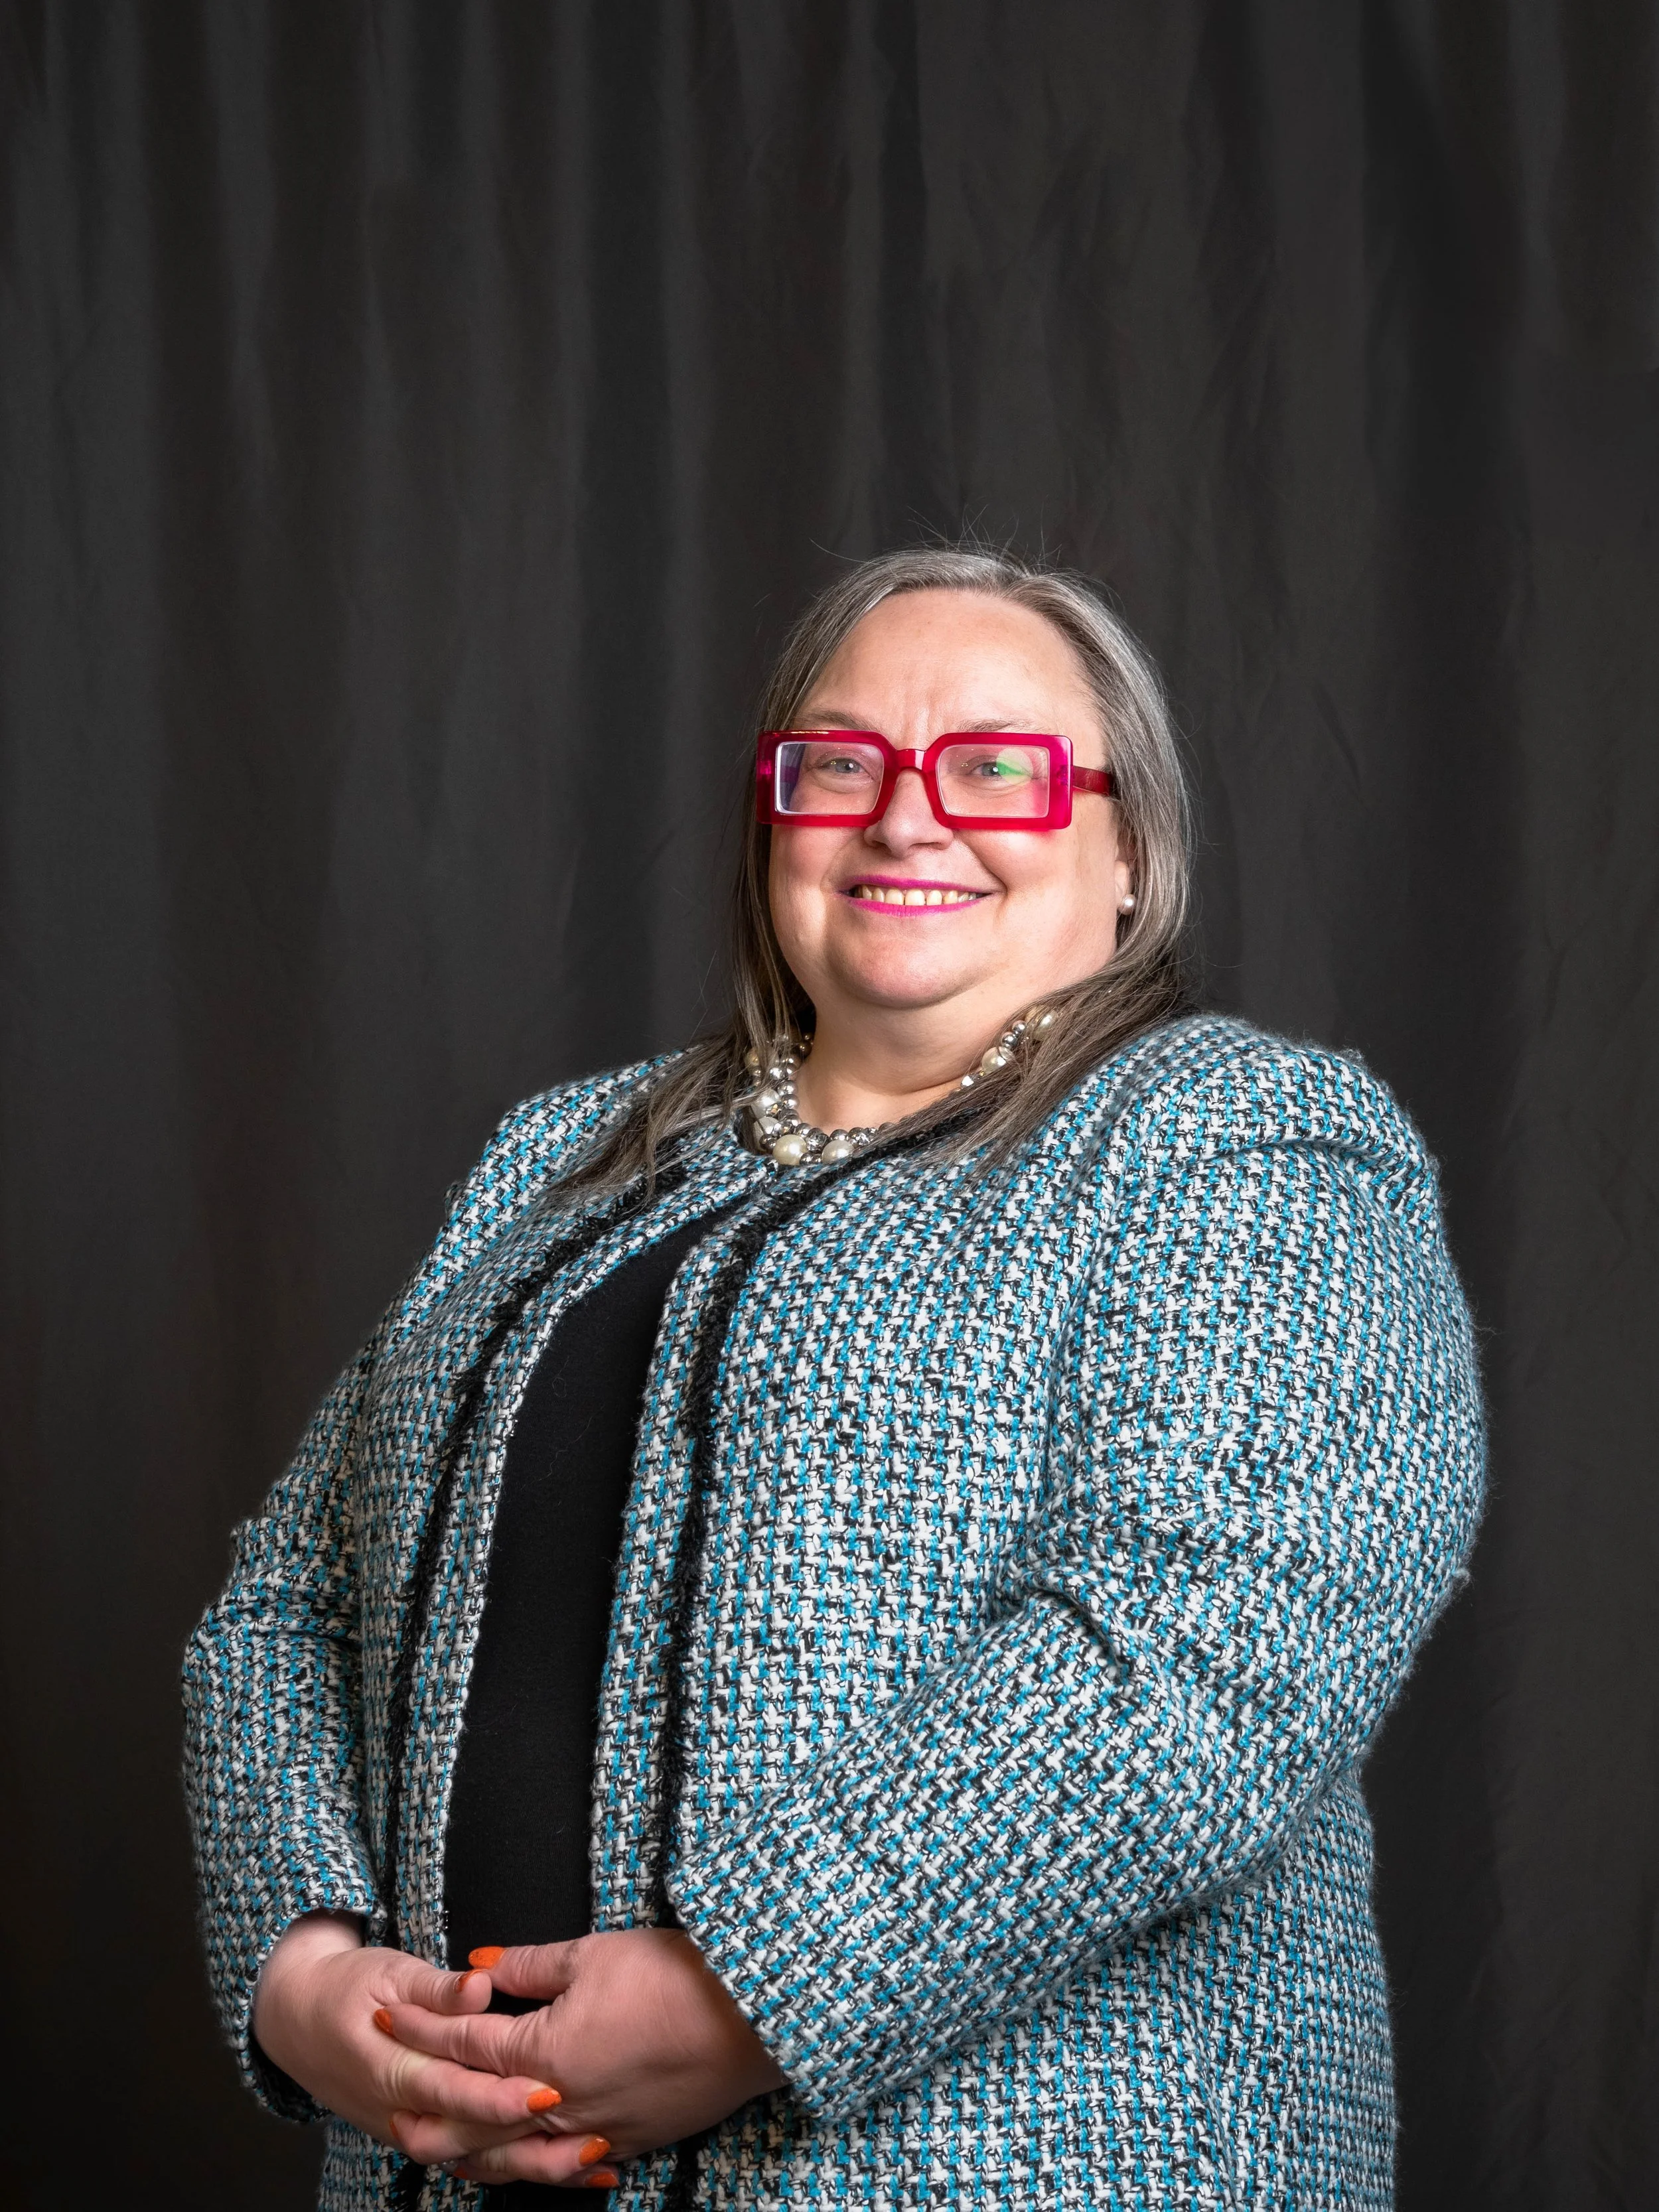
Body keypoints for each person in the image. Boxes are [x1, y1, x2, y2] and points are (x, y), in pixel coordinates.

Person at [184, 546, 1485, 2210]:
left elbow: (1219, 1634)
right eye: (839, 764)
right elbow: (284, 1600)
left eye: (995, 767)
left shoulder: (1236, 1136)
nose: (904, 818)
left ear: (1129, 853)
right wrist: (303, 1970)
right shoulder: (558, 1155)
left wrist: (743, 1991)